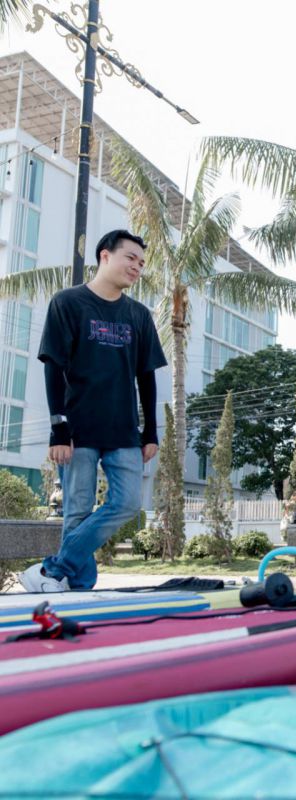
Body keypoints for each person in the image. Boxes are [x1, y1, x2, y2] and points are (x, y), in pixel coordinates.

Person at [18, 230, 168, 592]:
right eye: (131, 258)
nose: (137, 267)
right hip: (78, 429)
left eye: (142, 263)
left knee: (128, 502)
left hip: (123, 430)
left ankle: (53, 570)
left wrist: (150, 432)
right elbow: (52, 367)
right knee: (77, 513)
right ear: (105, 255)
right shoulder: (68, 303)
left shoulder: (139, 315)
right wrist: (59, 429)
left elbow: (146, 377)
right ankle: (78, 587)